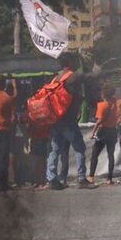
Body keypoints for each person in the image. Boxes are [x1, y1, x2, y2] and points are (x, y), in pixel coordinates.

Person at [46, 52, 93, 190]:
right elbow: (93, 76)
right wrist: (117, 70)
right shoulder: (73, 76)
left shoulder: (55, 79)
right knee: (79, 148)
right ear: (71, 62)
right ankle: (81, 178)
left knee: (55, 150)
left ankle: (52, 179)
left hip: (56, 119)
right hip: (68, 120)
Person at [88, 84, 119, 185]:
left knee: (95, 154)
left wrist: (93, 132)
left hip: (103, 131)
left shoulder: (101, 105)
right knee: (111, 155)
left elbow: (99, 120)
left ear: (104, 94)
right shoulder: (116, 103)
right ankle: (109, 179)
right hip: (113, 130)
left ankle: (91, 176)